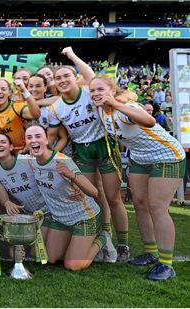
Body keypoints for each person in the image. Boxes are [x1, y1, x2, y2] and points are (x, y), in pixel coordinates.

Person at [90, 75, 185, 280]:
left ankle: (166, 264)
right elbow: (91, 77)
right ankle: (151, 252)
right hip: (140, 157)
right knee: (140, 203)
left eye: (101, 90)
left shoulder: (126, 107)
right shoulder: (100, 109)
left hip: (166, 155)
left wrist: (116, 102)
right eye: (93, 91)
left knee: (157, 206)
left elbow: (149, 121)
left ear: (113, 91)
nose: (96, 94)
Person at [47, 47, 127, 262]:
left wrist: (71, 56)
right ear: (54, 83)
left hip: (104, 146)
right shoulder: (55, 108)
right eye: (58, 78)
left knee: (113, 198)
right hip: (82, 150)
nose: (62, 80)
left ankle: (123, 244)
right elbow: (52, 137)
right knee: (92, 194)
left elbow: (93, 76)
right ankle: (104, 235)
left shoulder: (90, 93)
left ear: (76, 78)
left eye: (66, 76)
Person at [25, 125, 108, 271]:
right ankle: (76, 243)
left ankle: (103, 239)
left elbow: (94, 192)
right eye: (29, 137)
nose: (33, 140)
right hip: (60, 219)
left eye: (38, 136)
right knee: (50, 258)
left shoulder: (62, 161)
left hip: (84, 217)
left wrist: (72, 176)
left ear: (47, 139)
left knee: (72, 265)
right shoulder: (31, 161)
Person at [0, 133, 46, 215]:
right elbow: (4, 199)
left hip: (49, 208)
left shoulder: (27, 160)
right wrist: (7, 203)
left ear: (11, 147)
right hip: (29, 213)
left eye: (3, 142)